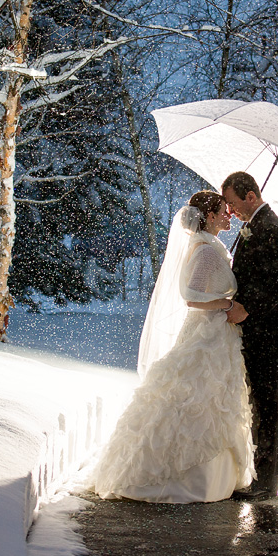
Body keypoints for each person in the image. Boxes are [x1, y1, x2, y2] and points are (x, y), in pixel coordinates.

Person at [90, 190, 255, 503]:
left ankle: (210, 474)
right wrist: (227, 303)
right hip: (206, 335)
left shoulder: (210, 246)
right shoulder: (205, 251)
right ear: (208, 217)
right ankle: (181, 476)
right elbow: (192, 295)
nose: (228, 214)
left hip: (216, 335)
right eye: (222, 210)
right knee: (198, 398)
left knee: (210, 399)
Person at [221, 171, 278, 501]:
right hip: (255, 332)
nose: (231, 211)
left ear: (251, 196)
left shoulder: (271, 227)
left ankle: (265, 485)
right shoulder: (254, 226)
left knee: (268, 407)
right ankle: (258, 476)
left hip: (269, 333)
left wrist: (246, 308)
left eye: (234, 204)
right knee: (257, 405)